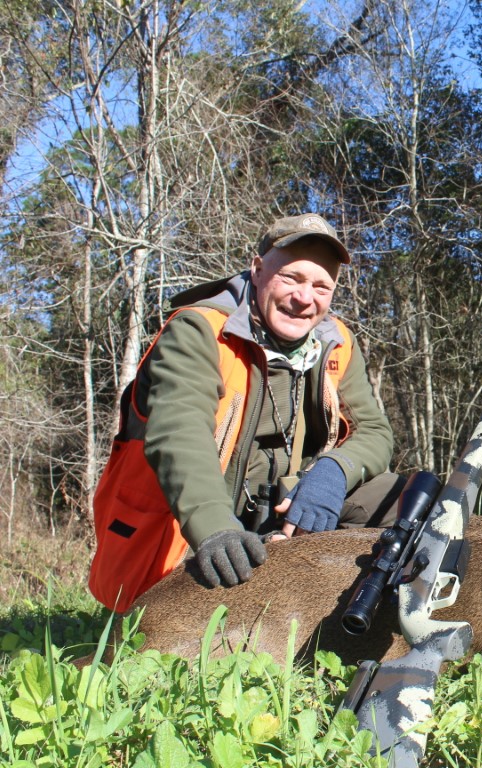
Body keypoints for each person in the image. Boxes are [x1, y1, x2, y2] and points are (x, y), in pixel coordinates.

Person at [89, 214, 403, 611]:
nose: (305, 298)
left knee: (410, 500)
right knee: (176, 623)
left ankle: (363, 613)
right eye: (291, 278)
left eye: (321, 286)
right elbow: (179, 435)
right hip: (192, 524)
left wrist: (333, 473)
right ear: (257, 271)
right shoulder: (198, 331)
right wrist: (214, 528)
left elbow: (374, 430)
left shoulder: (336, 342)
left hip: (279, 512)